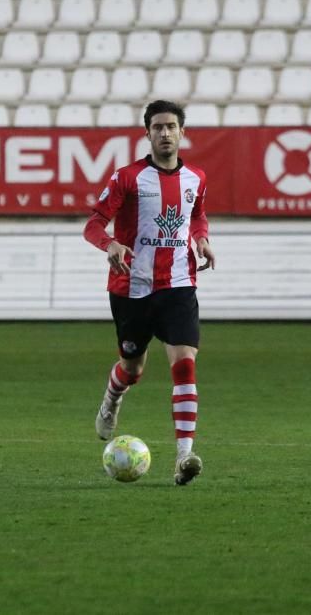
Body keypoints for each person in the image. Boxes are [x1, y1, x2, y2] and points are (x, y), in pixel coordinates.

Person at [84, 100, 216, 486]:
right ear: (147, 133)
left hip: (178, 285)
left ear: (182, 132)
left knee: (185, 365)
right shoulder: (128, 178)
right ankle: (111, 400)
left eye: (171, 126)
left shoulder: (197, 178)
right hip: (132, 288)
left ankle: (183, 457)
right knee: (132, 368)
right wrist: (109, 244)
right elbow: (94, 222)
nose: (164, 133)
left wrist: (202, 238)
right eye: (157, 127)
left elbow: (197, 216)